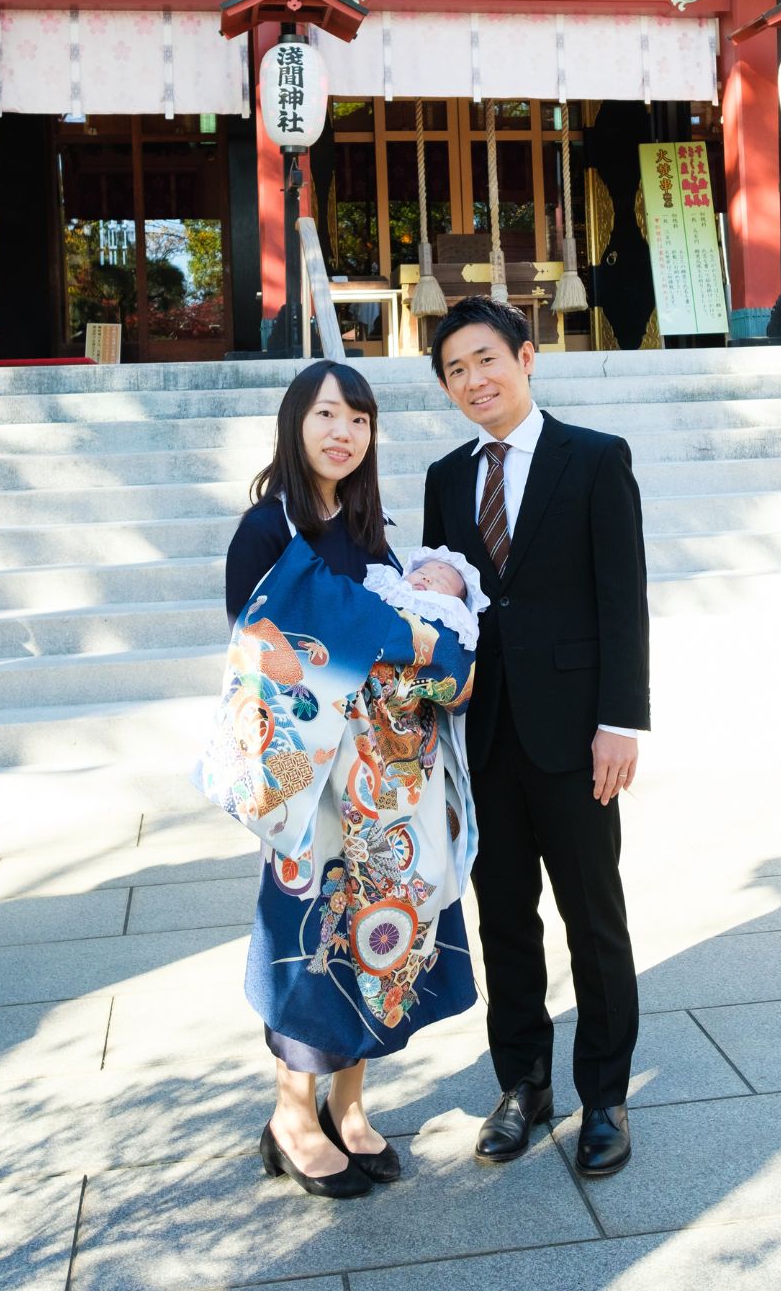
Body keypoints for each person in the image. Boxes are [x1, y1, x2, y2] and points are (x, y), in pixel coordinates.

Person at [218, 359, 478, 1198]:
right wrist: (391, 635)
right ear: (297, 423)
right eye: (328, 415)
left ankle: (350, 1103)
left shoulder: (371, 532)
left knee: (381, 931)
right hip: (309, 783)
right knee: (310, 938)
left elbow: (413, 642)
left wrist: (424, 652)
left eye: (359, 420)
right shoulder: (268, 530)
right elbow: (266, 650)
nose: (343, 433)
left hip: (379, 789)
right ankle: (291, 1116)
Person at [422, 296, 650, 1178]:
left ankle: (606, 1097)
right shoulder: (447, 478)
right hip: (482, 739)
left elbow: (621, 596)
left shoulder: (594, 459)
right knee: (504, 918)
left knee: (594, 918)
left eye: (486, 360)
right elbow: (440, 608)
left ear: (525, 357)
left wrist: (621, 721)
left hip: (576, 734)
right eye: (454, 371)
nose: (474, 380)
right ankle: (522, 1085)